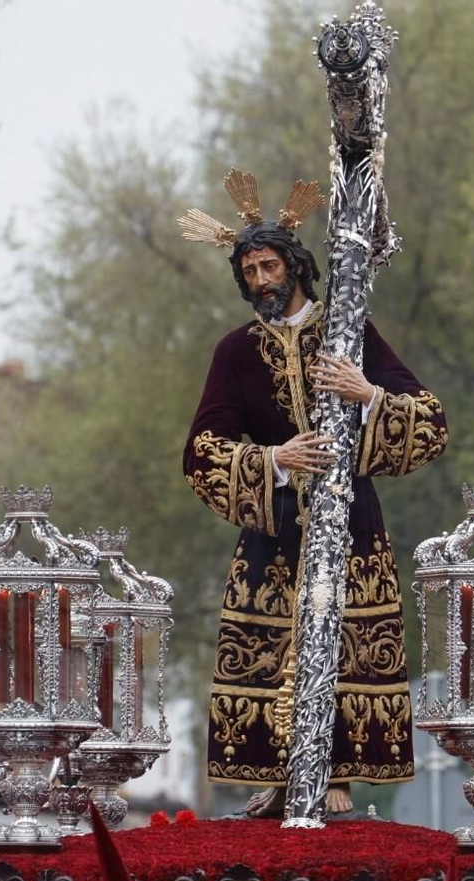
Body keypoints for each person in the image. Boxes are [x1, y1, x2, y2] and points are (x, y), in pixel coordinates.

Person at [180, 171, 447, 817]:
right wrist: (273, 458)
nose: (260, 280)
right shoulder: (236, 352)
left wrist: (367, 394)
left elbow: (430, 420)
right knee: (268, 648)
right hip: (273, 531)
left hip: (350, 527)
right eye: (249, 270)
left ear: (295, 265)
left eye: (270, 265)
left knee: (350, 641)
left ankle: (338, 775)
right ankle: (276, 776)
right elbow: (201, 450)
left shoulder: (349, 330)